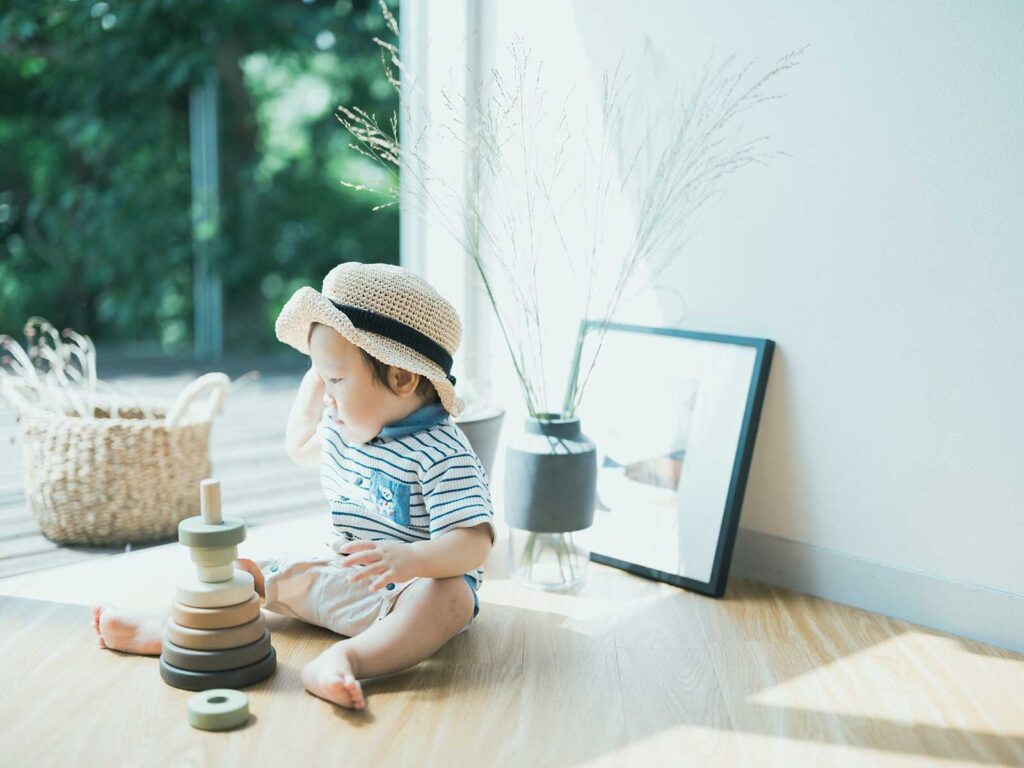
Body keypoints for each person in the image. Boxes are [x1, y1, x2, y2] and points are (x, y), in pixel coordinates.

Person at [92, 262, 496, 711]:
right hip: (342, 578)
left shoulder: (441, 453)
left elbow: (473, 544)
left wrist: (412, 560)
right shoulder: (350, 425)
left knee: (453, 596)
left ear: (402, 378)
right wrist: (322, 375)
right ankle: (176, 627)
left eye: (336, 380)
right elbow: (300, 445)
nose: (327, 396)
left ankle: (347, 660)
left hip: (410, 596)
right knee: (249, 570)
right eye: (320, 378)